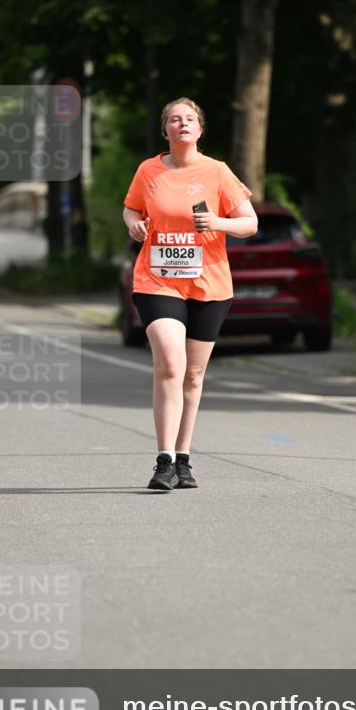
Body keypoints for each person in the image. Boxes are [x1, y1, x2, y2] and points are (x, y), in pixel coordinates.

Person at [122, 98, 258, 491]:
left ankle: (184, 458)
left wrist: (217, 221)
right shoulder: (148, 170)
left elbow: (249, 223)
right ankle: (163, 460)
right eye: (175, 120)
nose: (183, 125)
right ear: (165, 130)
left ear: (200, 129)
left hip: (208, 284)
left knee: (193, 376)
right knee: (170, 364)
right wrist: (134, 225)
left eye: (190, 119)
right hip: (157, 280)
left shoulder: (216, 172)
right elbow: (131, 209)